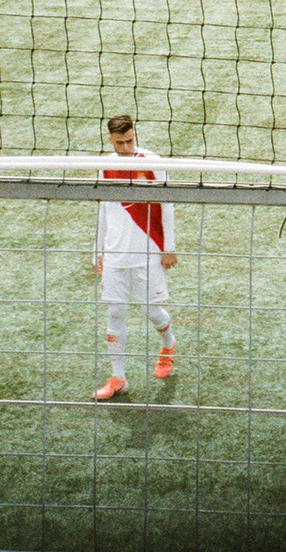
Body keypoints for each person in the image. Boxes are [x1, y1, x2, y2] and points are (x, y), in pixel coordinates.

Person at [92, 113, 177, 401]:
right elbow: (103, 209)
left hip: (147, 252)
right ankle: (118, 377)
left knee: (152, 312)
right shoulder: (105, 166)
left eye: (129, 141)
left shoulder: (152, 162)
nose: (126, 147)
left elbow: (167, 204)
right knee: (115, 313)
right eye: (120, 143)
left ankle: (168, 345)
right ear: (111, 140)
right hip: (115, 255)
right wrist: (98, 251)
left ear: (135, 135)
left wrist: (169, 247)